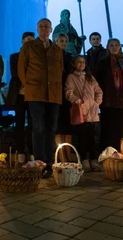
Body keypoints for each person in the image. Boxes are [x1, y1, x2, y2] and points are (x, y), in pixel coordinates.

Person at [18, 18, 63, 177]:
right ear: (37, 29)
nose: (44, 29)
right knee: (38, 128)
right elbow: (22, 69)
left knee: (51, 127)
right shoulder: (29, 46)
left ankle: (49, 161)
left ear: (51, 30)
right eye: (41, 26)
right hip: (36, 92)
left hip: (54, 93)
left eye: (47, 27)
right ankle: (39, 162)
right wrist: (29, 85)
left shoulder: (57, 49)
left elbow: (60, 69)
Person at [65, 55, 103, 171]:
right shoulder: (71, 77)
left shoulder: (90, 77)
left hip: (92, 112)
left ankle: (93, 159)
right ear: (74, 64)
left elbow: (98, 91)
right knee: (82, 137)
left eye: (83, 62)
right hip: (81, 111)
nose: (81, 64)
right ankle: (84, 160)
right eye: (79, 62)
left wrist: (96, 102)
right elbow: (68, 92)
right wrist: (78, 101)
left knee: (92, 137)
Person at [5, 32, 35, 161]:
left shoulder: (36, 56)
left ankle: (33, 152)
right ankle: (20, 151)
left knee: (33, 124)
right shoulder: (14, 56)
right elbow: (15, 73)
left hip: (34, 94)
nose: (30, 42)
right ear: (22, 41)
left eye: (32, 40)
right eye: (28, 39)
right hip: (19, 94)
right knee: (19, 123)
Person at [54, 33, 73, 163]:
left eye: (66, 41)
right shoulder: (52, 55)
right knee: (58, 125)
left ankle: (68, 154)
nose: (64, 43)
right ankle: (60, 155)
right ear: (56, 41)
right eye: (61, 41)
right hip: (55, 93)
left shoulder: (69, 57)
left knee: (67, 125)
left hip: (67, 94)